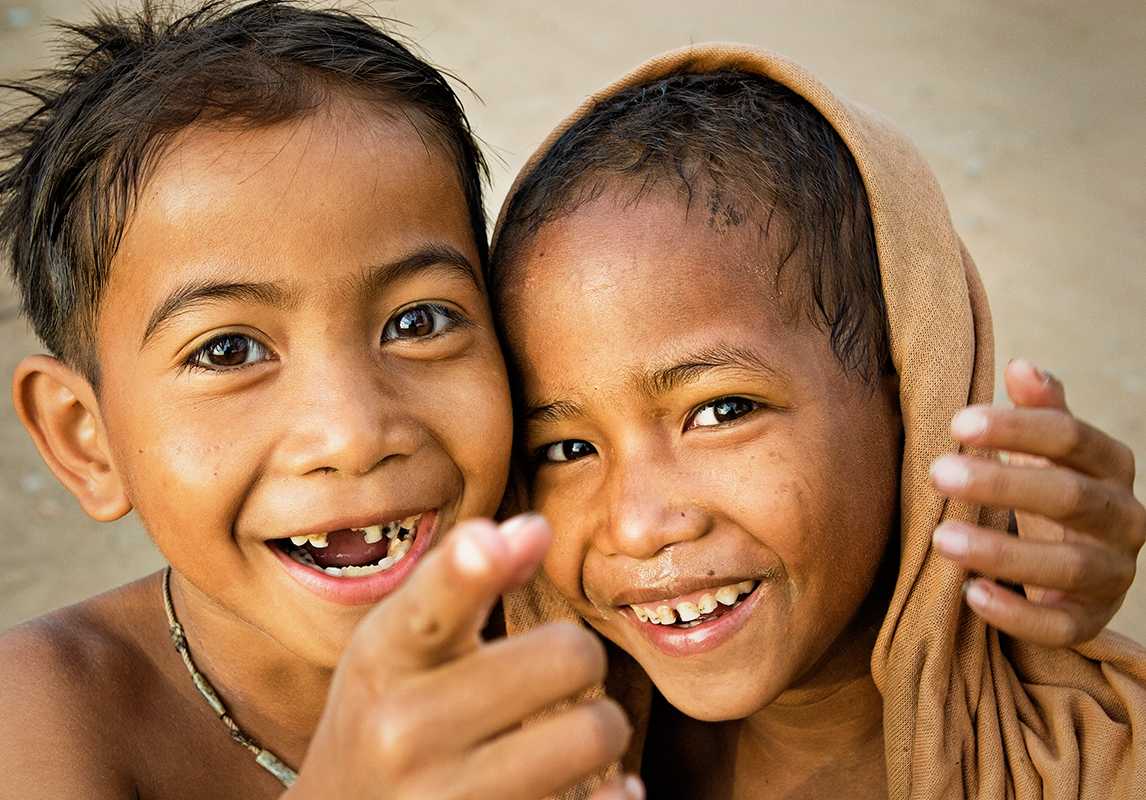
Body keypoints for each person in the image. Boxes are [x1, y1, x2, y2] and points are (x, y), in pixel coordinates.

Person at [0, 2, 637, 798]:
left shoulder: (588, 583)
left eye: (417, 322)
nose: (352, 435)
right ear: (85, 438)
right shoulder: (63, 697)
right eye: (228, 350)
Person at [488, 45, 1146, 798]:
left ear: (913, 396)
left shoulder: (1102, 768)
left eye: (720, 411)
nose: (637, 528)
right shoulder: (500, 755)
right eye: (566, 448)